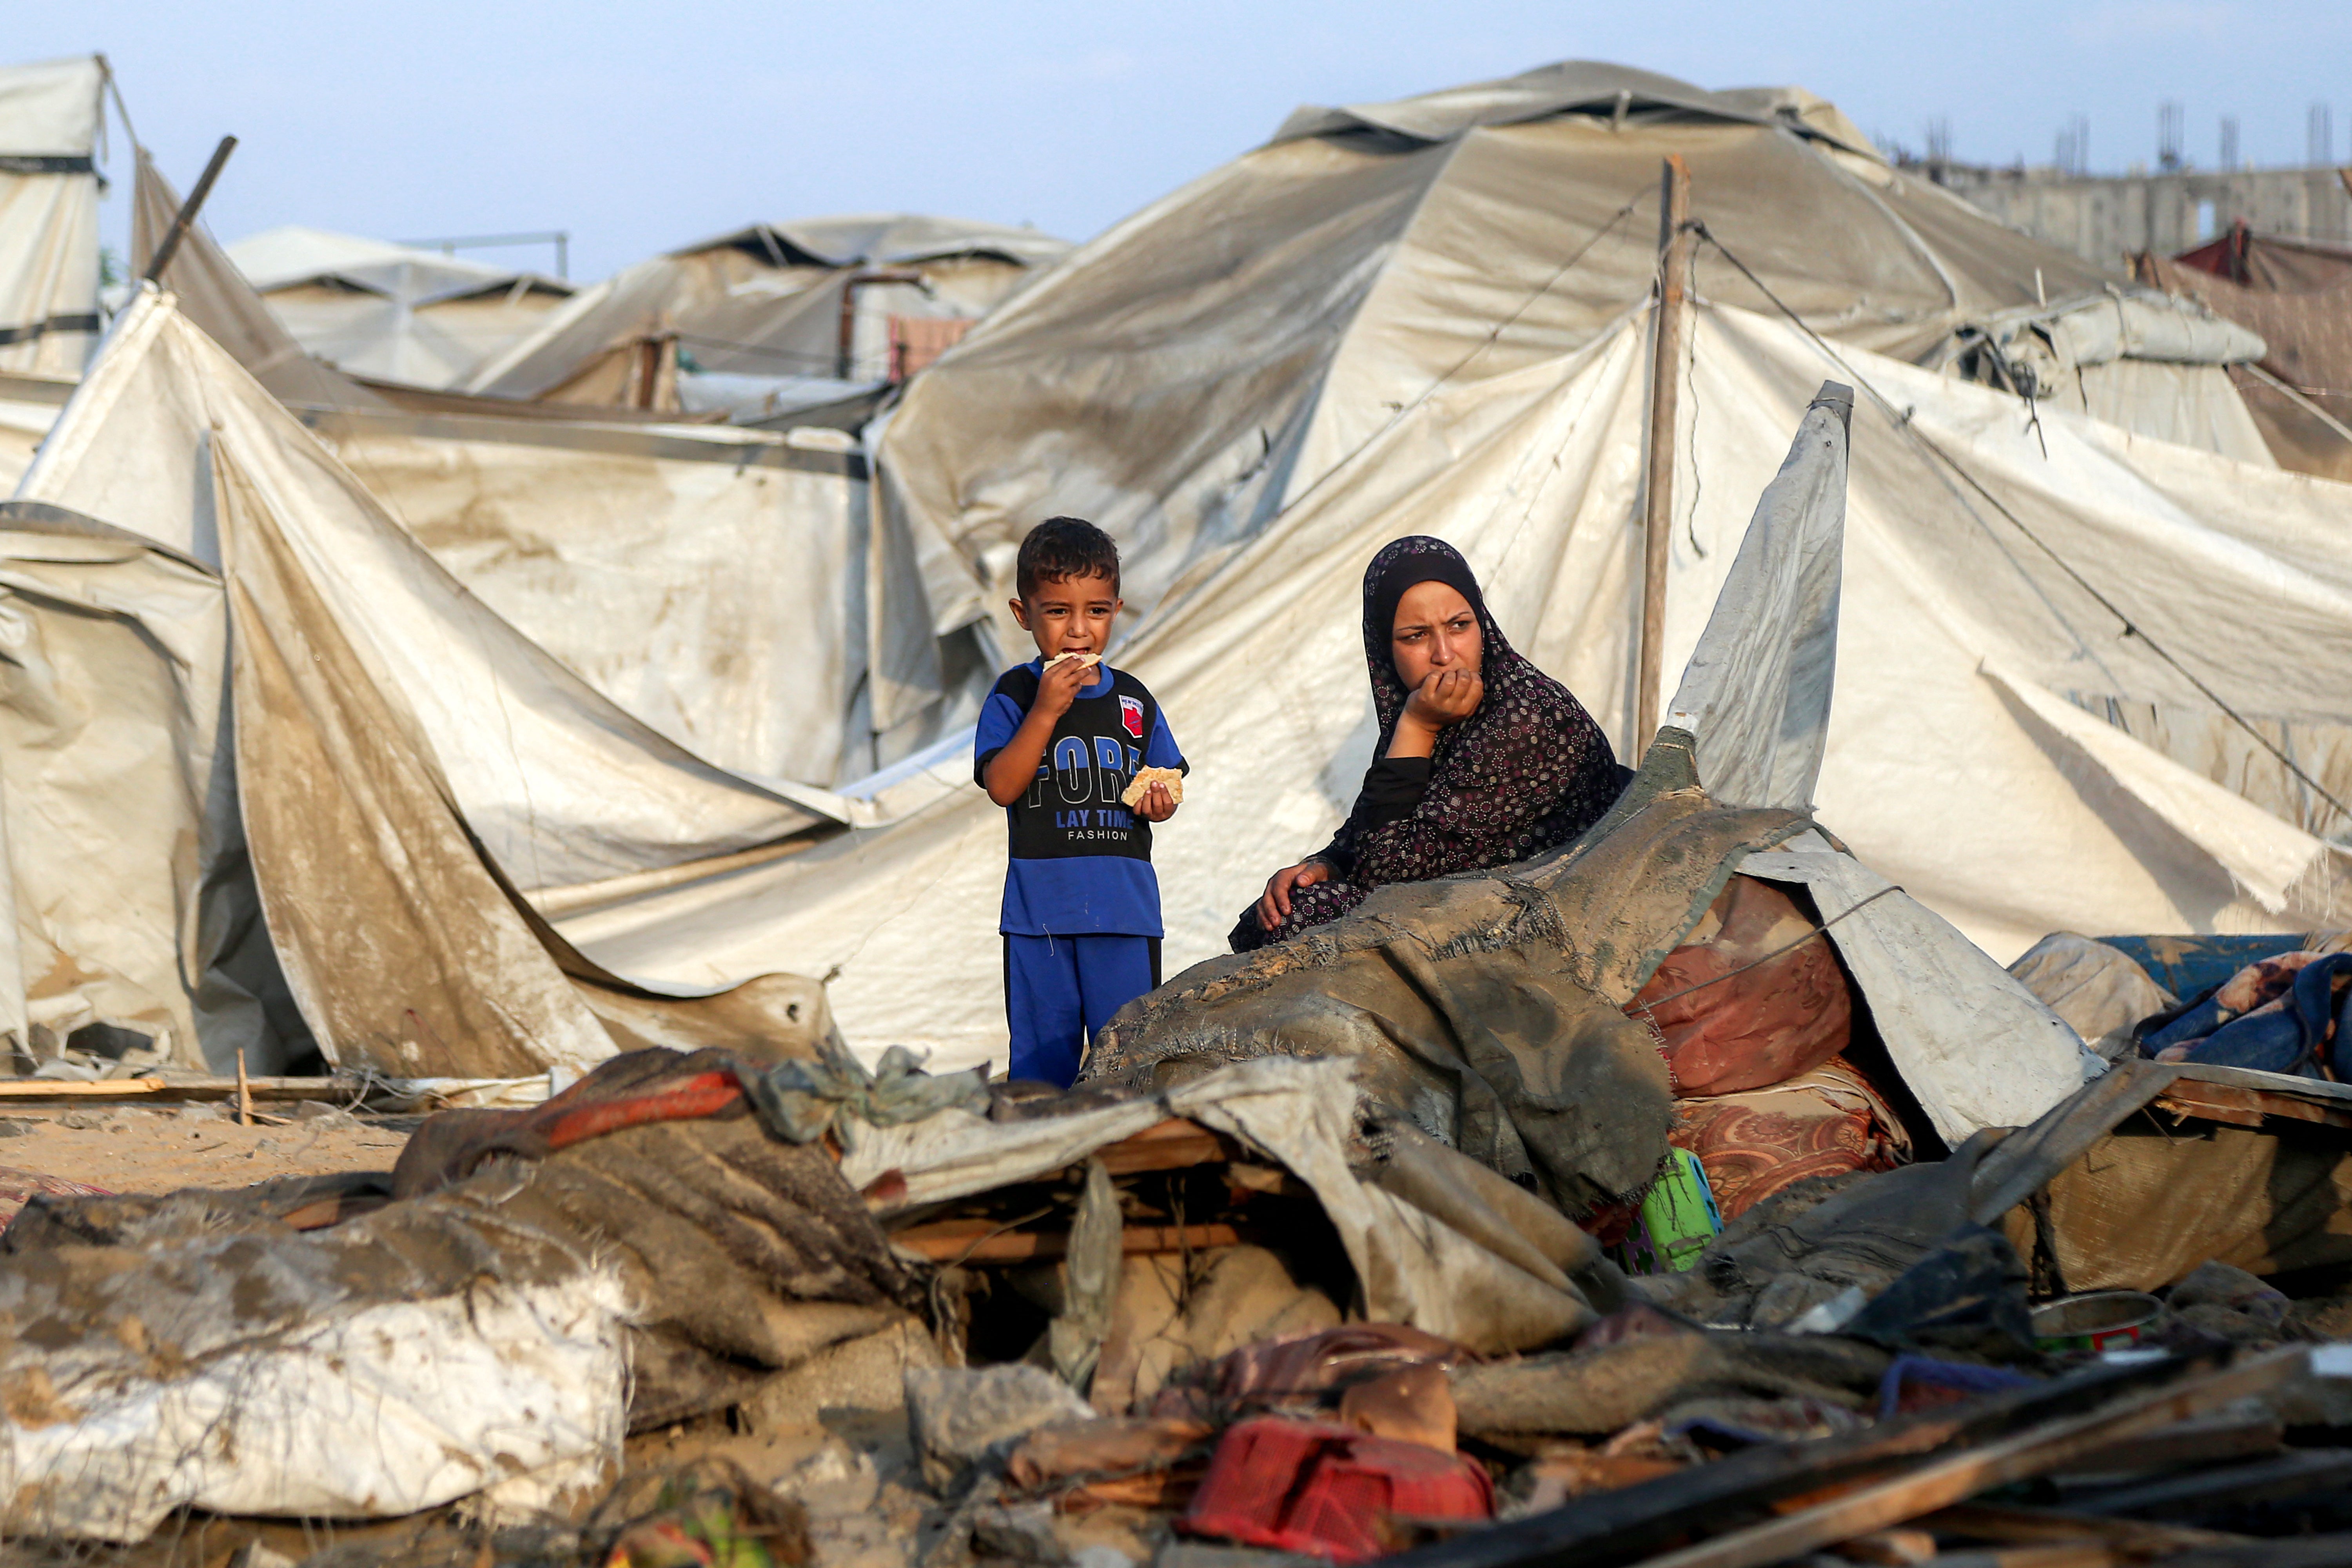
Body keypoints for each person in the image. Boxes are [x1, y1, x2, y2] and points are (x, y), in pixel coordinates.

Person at [1232, 535, 1621, 951]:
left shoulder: (1524, 715)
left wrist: (1417, 727)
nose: (1444, 653)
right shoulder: (1433, 712)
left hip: (1542, 922)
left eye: (1459, 626)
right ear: (1384, 649)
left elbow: (1387, 876)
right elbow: (1370, 832)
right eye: (1416, 636)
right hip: (1464, 902)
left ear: (1482, 625)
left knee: (1309, 919)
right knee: (1284, 905)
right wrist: (1323, 865)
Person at [976, 517, 1185, 1087]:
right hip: (1038, 916)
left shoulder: (1135, 701)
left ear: (1116, 610)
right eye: (1058, 612)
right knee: (1042, 1069)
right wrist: (1046, 711)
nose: (1078, 631)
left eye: (1095, 611)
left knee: (1130, 1063)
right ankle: (1045, 1167)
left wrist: (1160, 803)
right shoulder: (1015, 695)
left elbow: (1163, 781)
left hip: (1124, 913)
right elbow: (1002, 787)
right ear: (1024, 615)